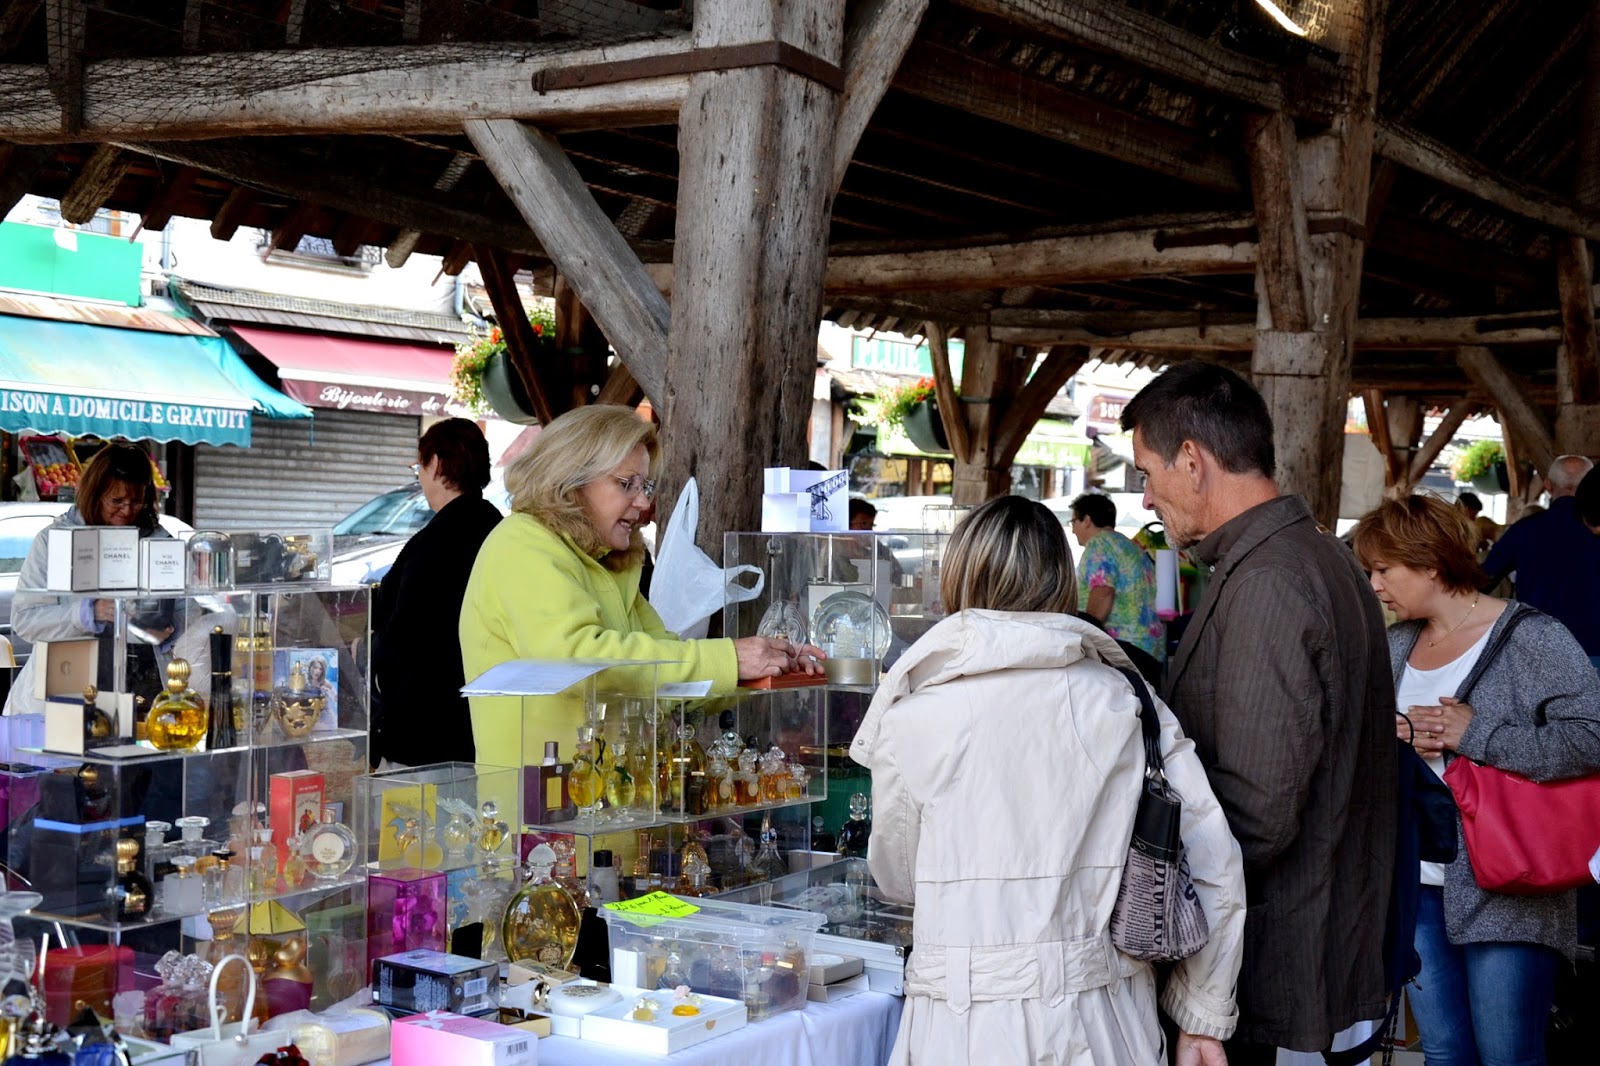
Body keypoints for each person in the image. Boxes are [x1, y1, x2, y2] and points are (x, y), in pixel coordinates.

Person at [850, 495, 1245, 1066]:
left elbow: (898, 877)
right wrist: (1202, 1016)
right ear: (1063, 579)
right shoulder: (1125, 700)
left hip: (962, 1023)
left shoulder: (914, 715)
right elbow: (1212, 858)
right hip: (1103, 1021)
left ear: (959, 576)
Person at [1119, 362, 1396, 1062]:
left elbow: (1255, 811)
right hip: (1306, 933)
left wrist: (1158, 915)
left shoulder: (1271, 578)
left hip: (1269, 956)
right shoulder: (1313, 554)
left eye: (1147, 472)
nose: (1146, 496)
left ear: (1192, 460)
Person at [1352, 495, 1600, 1065]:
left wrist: (1477, 734)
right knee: (1442, 1052)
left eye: (1383, 569)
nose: (1374, 585)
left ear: (1429, 562)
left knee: (1507, 1055)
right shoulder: (1396, 643)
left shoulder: (1533, 636)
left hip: (1508, 883)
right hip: (1414, 879)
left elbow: (1592, 738)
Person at [460, 405, 823, 767]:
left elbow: (667, 677)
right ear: (571, 478)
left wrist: (769, 664)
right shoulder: (522, 543)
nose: (644, 502)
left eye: (645, 486)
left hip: (608, 795)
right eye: (626, 484)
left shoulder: (607, 561)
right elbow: (578, 659)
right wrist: (729, 660)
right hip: (540, 798)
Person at [4, 443, 175, 717]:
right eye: (116, 501)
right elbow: (25, 621)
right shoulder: (54, 540)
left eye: (136, 501)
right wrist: (87, 613)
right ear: (95, 494)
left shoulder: (161, 544)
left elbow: (187, 613)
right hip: (63, 691)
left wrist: (165, 633)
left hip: (142, 695)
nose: (127, 510)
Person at [372, 418, 503, 769]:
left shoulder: (437, 542)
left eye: (420, 465)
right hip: (479, 721)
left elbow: (409, 632)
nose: (419, 476)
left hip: (427, 729)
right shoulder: (496, 527)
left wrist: (369, 649)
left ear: (437, 464)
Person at [1482, 454, 1600, 667]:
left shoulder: (1524, 530)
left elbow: (1483, 580)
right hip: (1595, 650)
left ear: (1548, 485)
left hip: (1537, 648)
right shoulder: (1594, 531)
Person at [1067, 492, 1164, 662]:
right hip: (1148, 649)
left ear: (1087, 520)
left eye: (1073, 522)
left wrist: (1084, 641)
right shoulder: (1127, 545)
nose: (1073, 529)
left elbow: (1103, 592)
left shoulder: (1099, 544)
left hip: (1124, 650)